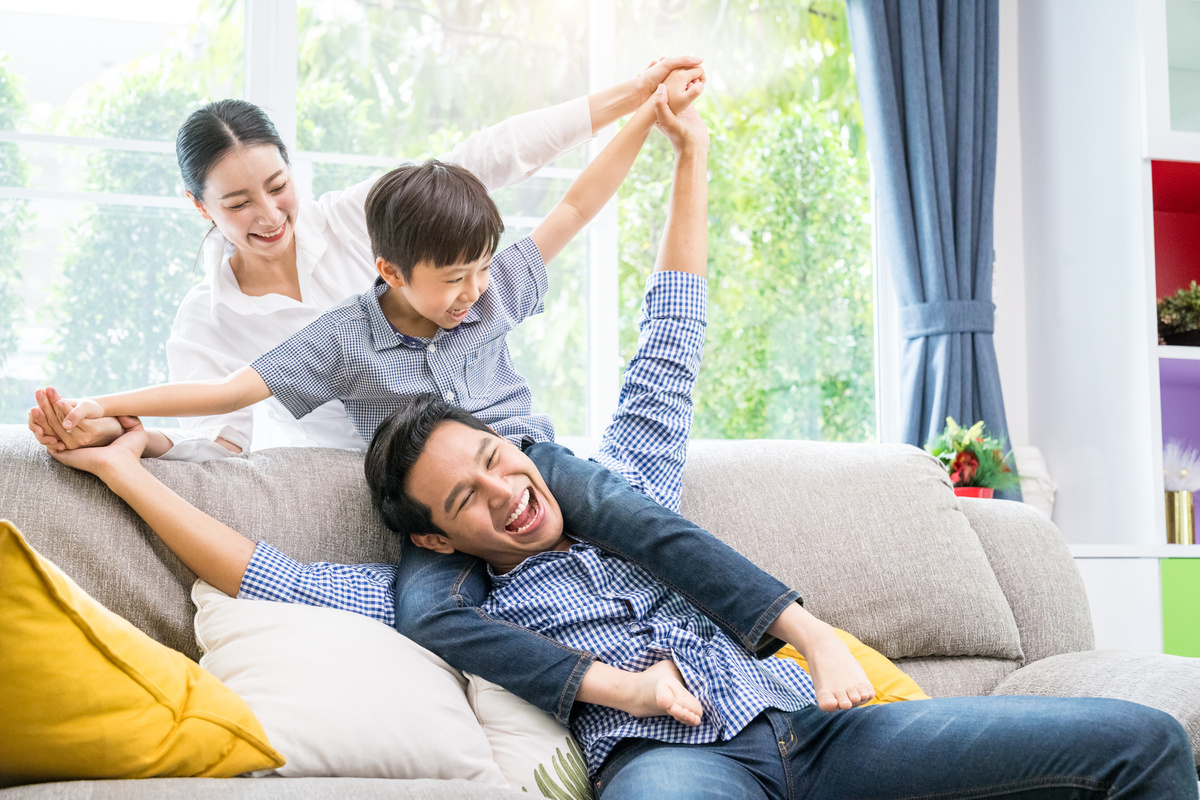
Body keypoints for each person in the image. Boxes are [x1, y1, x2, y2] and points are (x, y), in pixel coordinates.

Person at [367, 103, 1198, 800]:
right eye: (466, 499)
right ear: (435, 537)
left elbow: (671, 336)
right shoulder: (451, 597)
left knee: (1143, 738)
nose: (503, 489)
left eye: (494, 457)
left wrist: (690, 156)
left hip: (821, 724)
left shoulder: (626, 477)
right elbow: (271, 573)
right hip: (665, 761)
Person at [40, 90, 876, 724]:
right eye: (237, 203)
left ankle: (804, 629)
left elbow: (576, 208)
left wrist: (652, 120)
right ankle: (619, 689)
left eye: (277, 187)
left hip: (533, 454)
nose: (473, 295)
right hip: (428, 500)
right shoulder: (338, 337)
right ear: (392, 272)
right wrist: (109, 415)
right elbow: (225, 403)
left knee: (637, 516)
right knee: (424, 610)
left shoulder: (482, 284)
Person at [28, 56, 704, 460]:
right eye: (237, 204)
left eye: (277, 187)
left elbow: (491, 159)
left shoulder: (362, 217)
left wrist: (636, 97)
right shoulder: (217, 320)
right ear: (201, 207)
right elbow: (222, 437)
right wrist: (129, 432)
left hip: (489, 450)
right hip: (378, 482)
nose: (268, 216)